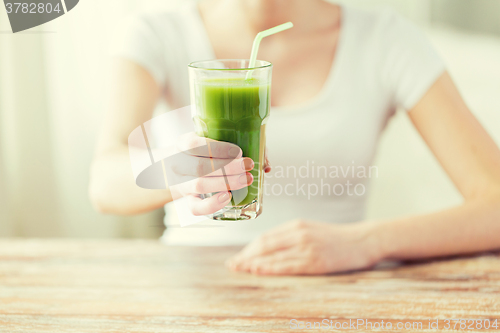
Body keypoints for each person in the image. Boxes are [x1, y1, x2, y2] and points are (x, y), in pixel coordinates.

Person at [89, 0, 500, 275]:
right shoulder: (156, 32)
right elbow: (104, 184)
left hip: (337, 287)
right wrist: (178, 168)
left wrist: (367, 241)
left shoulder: (385, 40)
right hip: (190, 286)